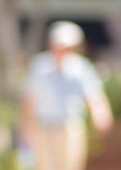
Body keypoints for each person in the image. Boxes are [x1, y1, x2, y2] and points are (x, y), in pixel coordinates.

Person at [20, 21, 112, 170]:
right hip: (43, 125)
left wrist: (101, 116)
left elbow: (94, 96)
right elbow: (29, 99)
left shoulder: (81, 67)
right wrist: (26, 128)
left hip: (70, 126)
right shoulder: (39, 65)